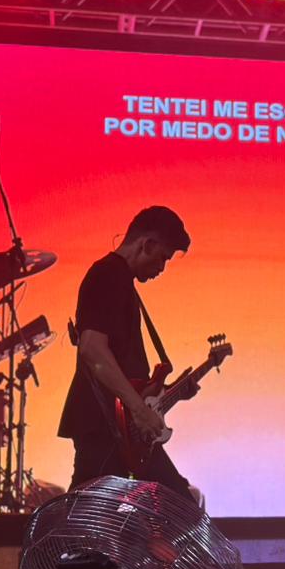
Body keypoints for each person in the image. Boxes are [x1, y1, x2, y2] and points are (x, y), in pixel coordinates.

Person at [57, 207, 197, 500]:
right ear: (146, 244)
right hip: (106, 423)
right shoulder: (107, 274)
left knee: (99, 520)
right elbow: (93, 350)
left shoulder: (119, 280)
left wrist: (168, 394)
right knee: (176, 505)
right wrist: (138, 409)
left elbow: (121, 367)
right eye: (163, 258)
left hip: (118, 427)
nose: (162, 268)